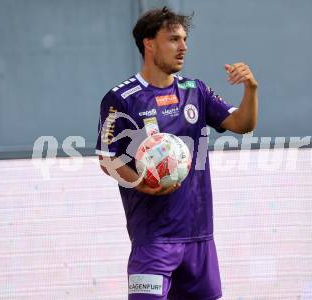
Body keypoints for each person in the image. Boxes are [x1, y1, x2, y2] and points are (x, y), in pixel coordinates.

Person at [96, 6, 258, 300]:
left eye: (184, 39)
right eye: (173, 39)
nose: (183, 47)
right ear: (149, 43)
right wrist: (140, 181)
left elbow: (243, 125)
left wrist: (251, 89)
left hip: (200, 237)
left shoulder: (196, 90)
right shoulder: (121, 98)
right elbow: (107, 159)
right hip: (153, 239)